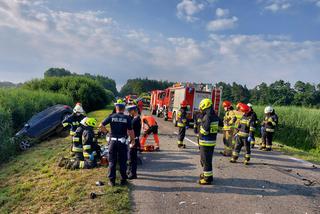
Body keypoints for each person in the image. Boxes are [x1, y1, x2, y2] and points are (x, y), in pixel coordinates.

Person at [99, 100, 135, 186]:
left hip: (113, 142)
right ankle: (123, 180)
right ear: (124, 109)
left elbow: (101, 125)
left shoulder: (111, 116)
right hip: (122, 142)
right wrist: (133, 140)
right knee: (123, 161)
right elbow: (130, 131)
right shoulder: (127, 118)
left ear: (116, 108)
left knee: (112, 161)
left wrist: (107, 132)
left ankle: (112, 181)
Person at [198, 98, 223, 185]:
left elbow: (205, 130)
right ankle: (207, 175)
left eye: (201, 108)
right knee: (207, 160)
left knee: (205, 161)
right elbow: (221, 124)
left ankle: (207, 179)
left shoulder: (207, 116)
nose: (201, 110)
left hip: (205, 142)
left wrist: (199, 128)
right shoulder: (214, 115)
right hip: (211, 142)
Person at [127, 105, 141, 179]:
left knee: (131, 158)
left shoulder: (135, 120)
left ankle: (132, 174)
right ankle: (131, 172)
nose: (129, 113)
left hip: (133, 141)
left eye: (129, 111)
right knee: (132, 157)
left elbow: (130, 130)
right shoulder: (135, 119)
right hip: (134, 140)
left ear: (133, 111)